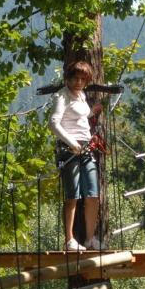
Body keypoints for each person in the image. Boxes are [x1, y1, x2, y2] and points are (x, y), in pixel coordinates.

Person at [49, 61, 102, 252]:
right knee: (73, 196)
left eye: (83, 79)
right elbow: (54, 123)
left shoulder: (81, 95)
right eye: (75, 78)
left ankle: (89, 239)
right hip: (69, 150)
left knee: (93, 195)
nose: (79, 82)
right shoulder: (61, 96)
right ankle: (69, 240)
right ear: (68, 78)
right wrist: (72, 143)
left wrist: (93, 112)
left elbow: (80, 115)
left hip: (86, 148)